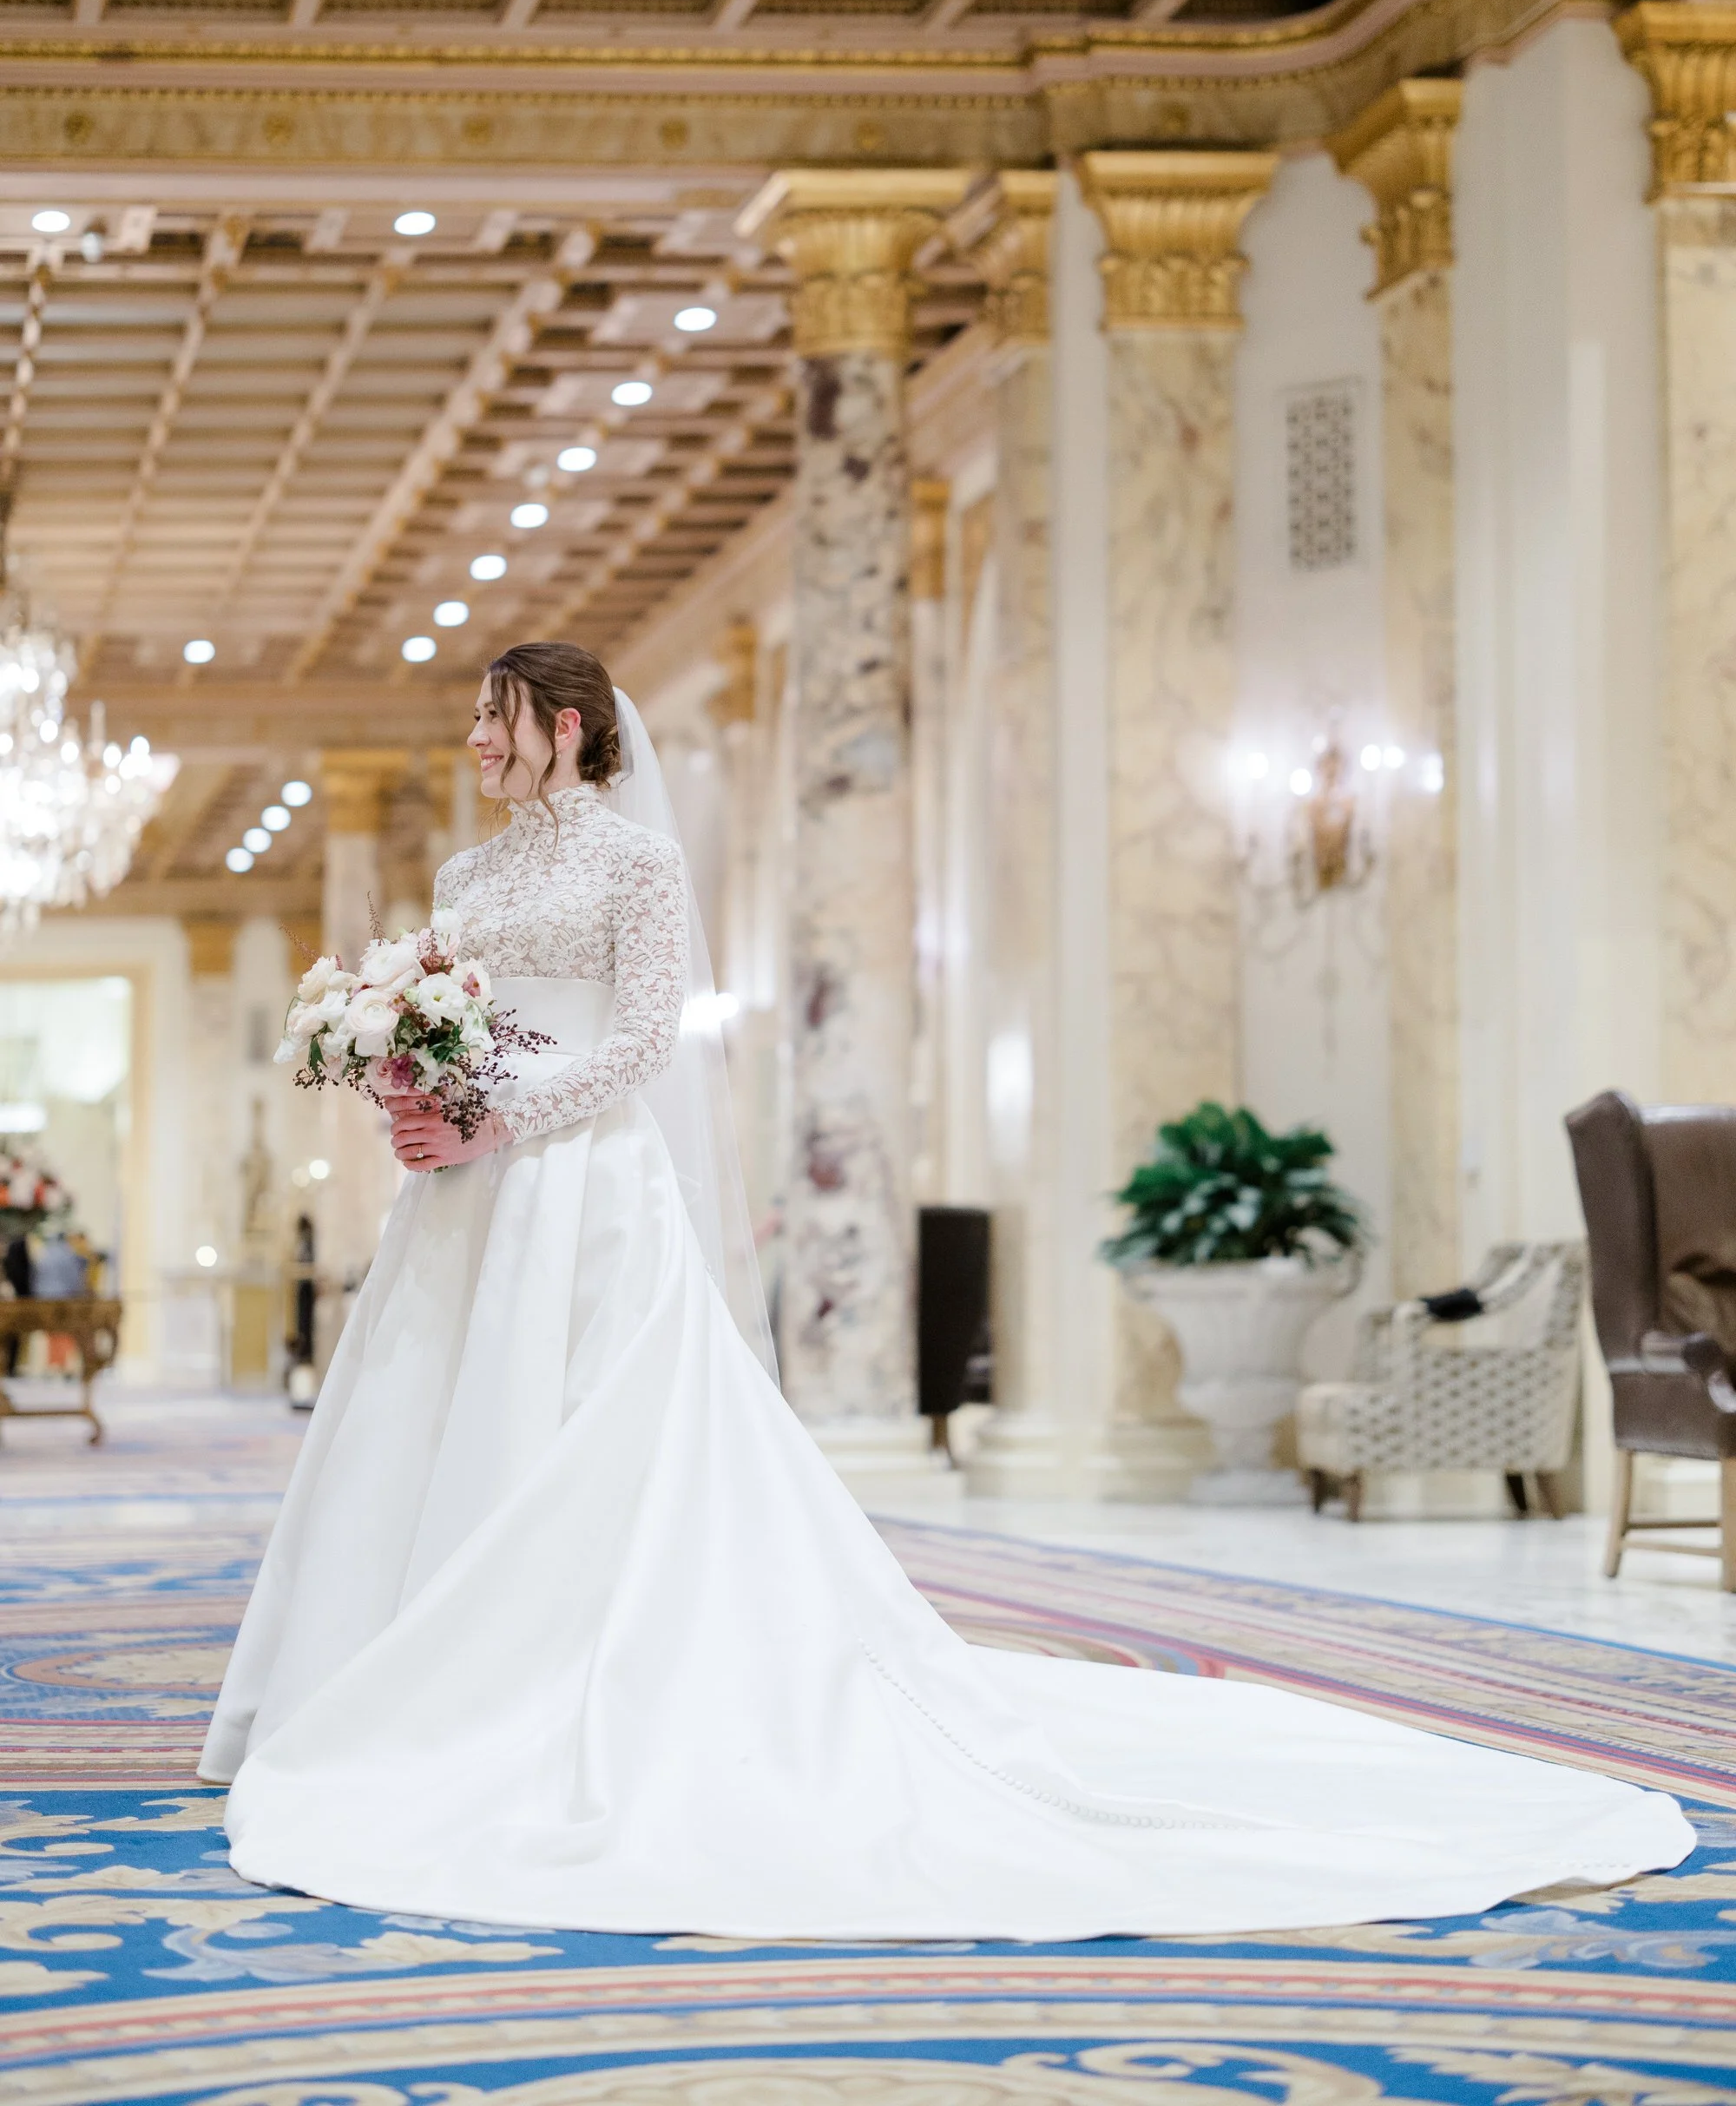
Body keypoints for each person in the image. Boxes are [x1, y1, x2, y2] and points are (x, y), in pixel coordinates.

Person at [200, 642, 1691, 1940]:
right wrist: (411, 1086)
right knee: (431, 1419)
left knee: (590, 1439)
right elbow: (446, 1014)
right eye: (476, 717)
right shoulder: (465, 875)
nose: (479, 740)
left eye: (500, 715)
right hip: (462, 1194)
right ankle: (392, 1677)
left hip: (584, 1185)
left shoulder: (636, 865)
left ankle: (554, 1685)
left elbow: (649, 1040)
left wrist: (506, 1116)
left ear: (571, 730)